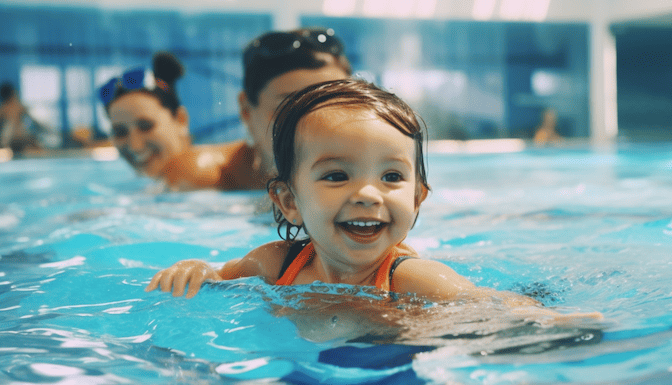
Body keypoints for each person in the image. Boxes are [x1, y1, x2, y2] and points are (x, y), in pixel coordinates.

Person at [146, 79, 598, 321]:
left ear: (418, 198)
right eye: (337, 175)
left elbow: (485, 300)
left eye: (391, 176)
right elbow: (220, 274)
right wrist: (197, 271)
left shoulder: (412, 279)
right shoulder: (275, 265)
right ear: (289, 201)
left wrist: (551, 321)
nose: (367, 194)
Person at [101, 52, 263, 190]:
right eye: (120, 132)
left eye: (146, 126)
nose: (135, 145)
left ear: (181, 120)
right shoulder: (162, 185)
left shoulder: (190, 172)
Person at [238, 28, 351, 181]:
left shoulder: (379, 170)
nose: (316, 122)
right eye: (290, 107)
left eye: (332, 103)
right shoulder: (206, 179)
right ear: (246, 111)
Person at [0, 82, 44, 155]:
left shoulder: (3, 108)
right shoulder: (18, 106)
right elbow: (36, 122)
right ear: (12, 94)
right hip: (21, 138)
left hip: (9, 141)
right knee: (38, 150)